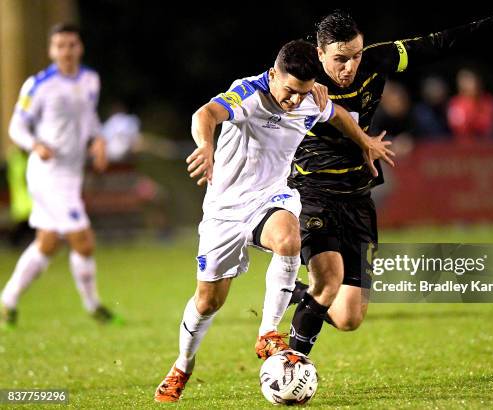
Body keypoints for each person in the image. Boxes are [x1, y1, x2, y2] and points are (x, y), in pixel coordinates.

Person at [286, 0, 493, 355]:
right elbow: (258, 106)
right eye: (341, 59)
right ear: (320, 53)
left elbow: (436, 44)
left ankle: (295, 292)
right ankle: (290, 363)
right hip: (312, 194)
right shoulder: (299, 75)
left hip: (357, 196)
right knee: (327, 283)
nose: (351, 66)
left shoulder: (377, 60)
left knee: (348, 318)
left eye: (356, 55)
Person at [153, 39, 394, 403]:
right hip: (225, 210)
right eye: (289, 91)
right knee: (208, 301)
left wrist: (364, 142)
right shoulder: (248, 94)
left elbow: (339, 116)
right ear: (273, 74)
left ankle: (268, 332)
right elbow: (204, 115)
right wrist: (205, 145)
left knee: (289, 239)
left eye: (303, 92)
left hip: (271, 197)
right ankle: (183, 364)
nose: (295, 100)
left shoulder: (314, 97)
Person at [0, 23, 120, 329]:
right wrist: (35, 144)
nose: (67, 51)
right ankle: (94, 307)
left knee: (48, 242)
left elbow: (90, 118)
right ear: (52, 51)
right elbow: (16, 127)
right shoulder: (38, 85)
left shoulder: (91, 79)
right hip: (47, 174)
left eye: (72, 45)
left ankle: (7, 301)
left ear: (79, 47)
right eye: (60, 46)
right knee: (84, 240)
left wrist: (99, 141)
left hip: (71, 173)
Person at [447, 67, 493, 143]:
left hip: (486, 144)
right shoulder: (455, 104)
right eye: (467, 81)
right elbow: (459, 129)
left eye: (473, 80)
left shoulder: (488, 101)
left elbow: (489, 125)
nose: (473, 84)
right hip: (462, 146)